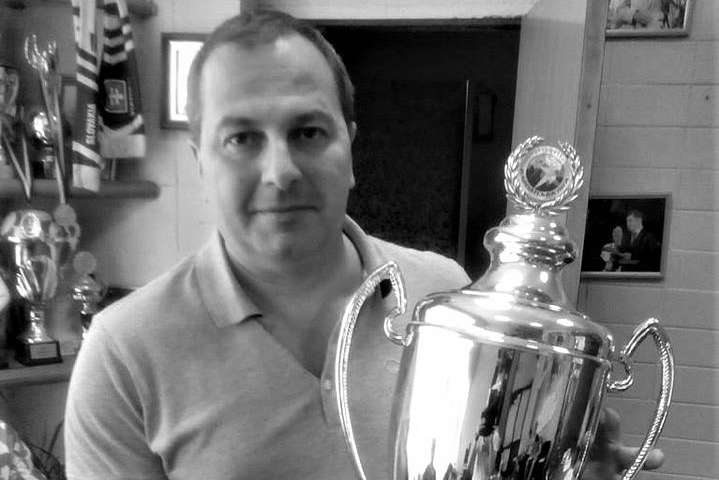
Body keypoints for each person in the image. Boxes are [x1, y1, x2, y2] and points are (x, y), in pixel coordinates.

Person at [64, 10, 664, 480]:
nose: (281, 172)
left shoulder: (445, 295)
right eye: (241, 139)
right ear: (201, 163)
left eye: (308, 131)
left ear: (349, 148)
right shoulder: (122, 354)